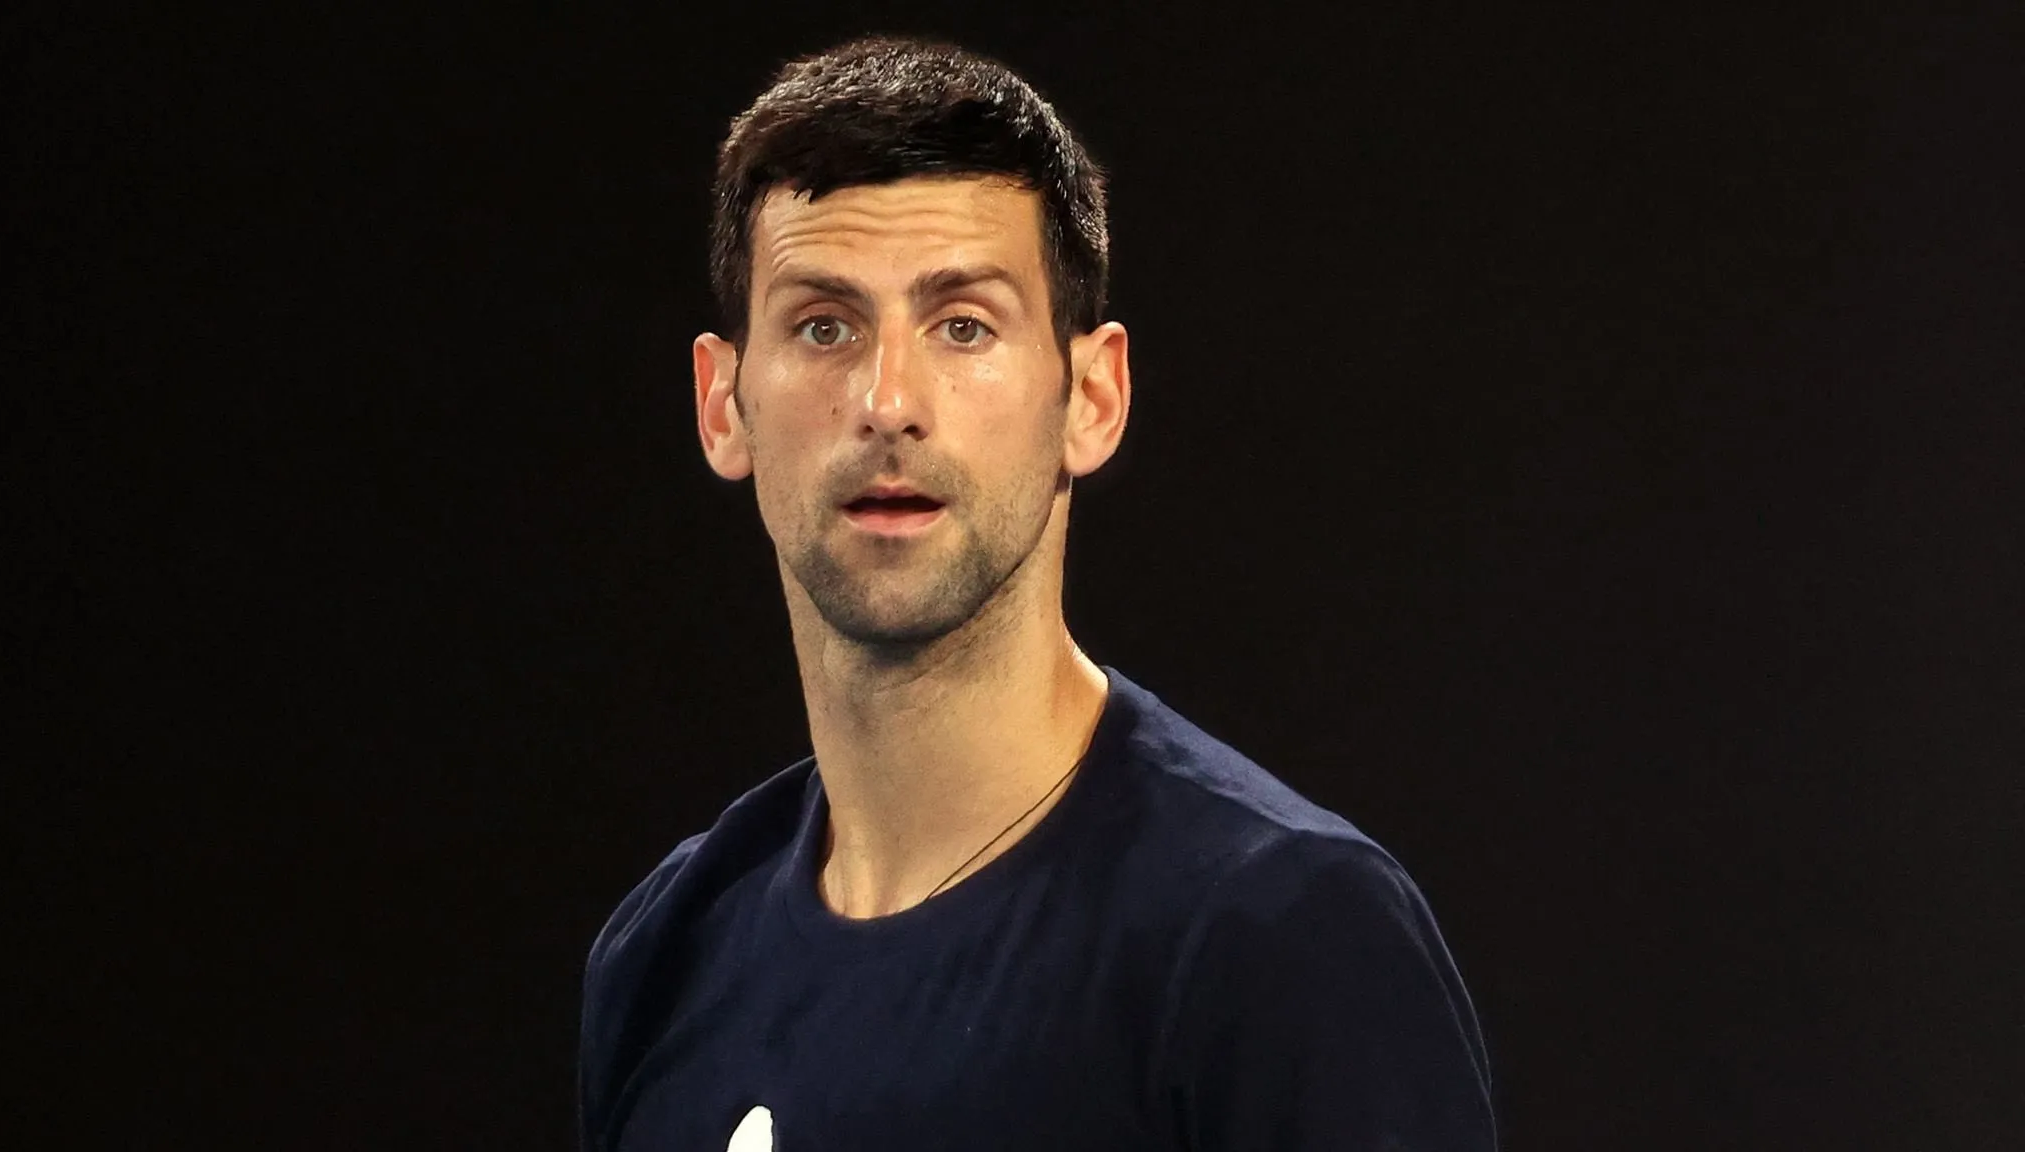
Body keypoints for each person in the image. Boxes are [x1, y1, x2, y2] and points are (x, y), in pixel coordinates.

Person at [579, 35, 1496, 1151]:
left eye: (962, 326)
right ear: (722, 406)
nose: (887, 400)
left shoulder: (1280, 936)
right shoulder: (666, 953)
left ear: (1091, 397)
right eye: (824, 326)